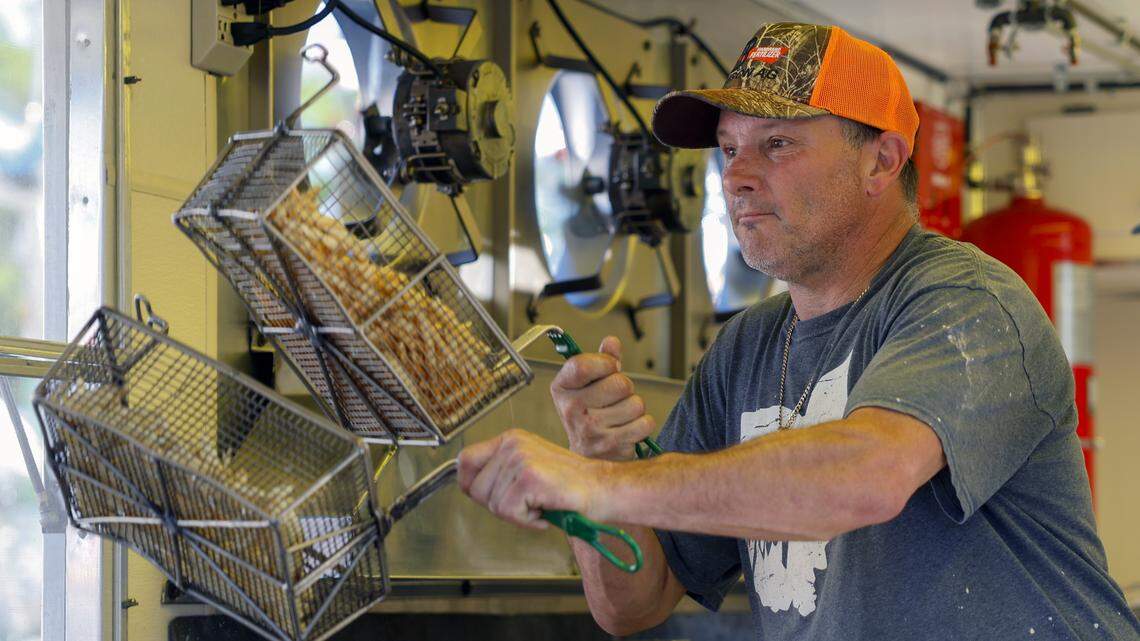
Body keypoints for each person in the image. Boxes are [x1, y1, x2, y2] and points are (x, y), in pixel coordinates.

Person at [458, 22, 1140, 640]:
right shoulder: (745, 350)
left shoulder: (966, 301)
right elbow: (635, 602)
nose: (737, 178)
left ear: (882, 160)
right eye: (728, 148)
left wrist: (592, 485)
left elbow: (866, 478)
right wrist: (602, 455)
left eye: (777, 144)